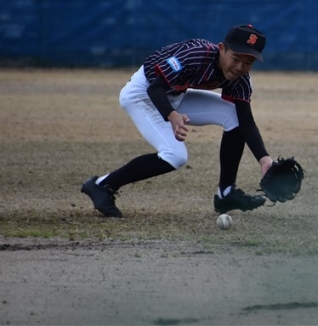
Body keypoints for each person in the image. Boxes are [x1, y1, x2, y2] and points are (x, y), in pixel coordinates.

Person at [81, 24, 273, 218]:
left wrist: (264, 159)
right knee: (174, 155)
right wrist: (171, 114)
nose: (240, 67)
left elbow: (246, 120)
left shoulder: (241, 79)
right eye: (236, 58)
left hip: (174, 96)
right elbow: (155, 88)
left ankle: (226, 193)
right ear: (222, 49)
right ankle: (102, 185)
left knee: (233, 115)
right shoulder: (196, 55)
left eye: (248, 62)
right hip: (142, 94)